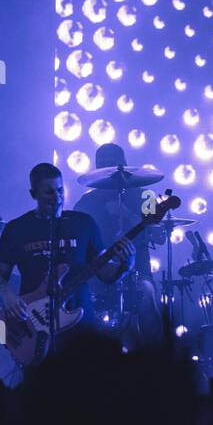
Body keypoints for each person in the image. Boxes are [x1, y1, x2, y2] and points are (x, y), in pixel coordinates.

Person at [0, 162, 134, 344]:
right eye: (48, 192)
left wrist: (125, 265)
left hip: (80, 324)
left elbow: (104, 273)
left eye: (60, 190)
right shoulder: (16, 228)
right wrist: (8, 297)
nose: (57, 197)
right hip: (34, 325)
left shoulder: (83, 223)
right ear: (33, 194)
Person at [72, 143, 163, 342]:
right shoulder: (87, 202)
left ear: (124, 165)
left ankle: (156, 361)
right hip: (100, 273)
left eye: (113, 164)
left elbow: (159, 236)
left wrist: (129, 216)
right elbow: (74, 235)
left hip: (138, 270)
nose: (109, 169)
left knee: (148, 301)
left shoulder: (144, 196)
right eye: (103, 165)